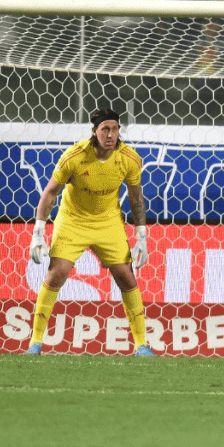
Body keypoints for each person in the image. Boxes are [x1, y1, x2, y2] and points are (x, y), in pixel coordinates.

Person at [26, 109, 155, 357]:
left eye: (114, 129)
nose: (110, 134)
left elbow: (137, 198)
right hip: (73, 220)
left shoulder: (129, 158)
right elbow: (51, 193)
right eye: (105, 129)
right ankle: (36, 342)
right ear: (94, 132)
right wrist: (38, 232)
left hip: (108, 222)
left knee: (126, 277)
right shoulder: (74, 156)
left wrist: (141, 237)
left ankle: (141, 345)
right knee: (57, 274)